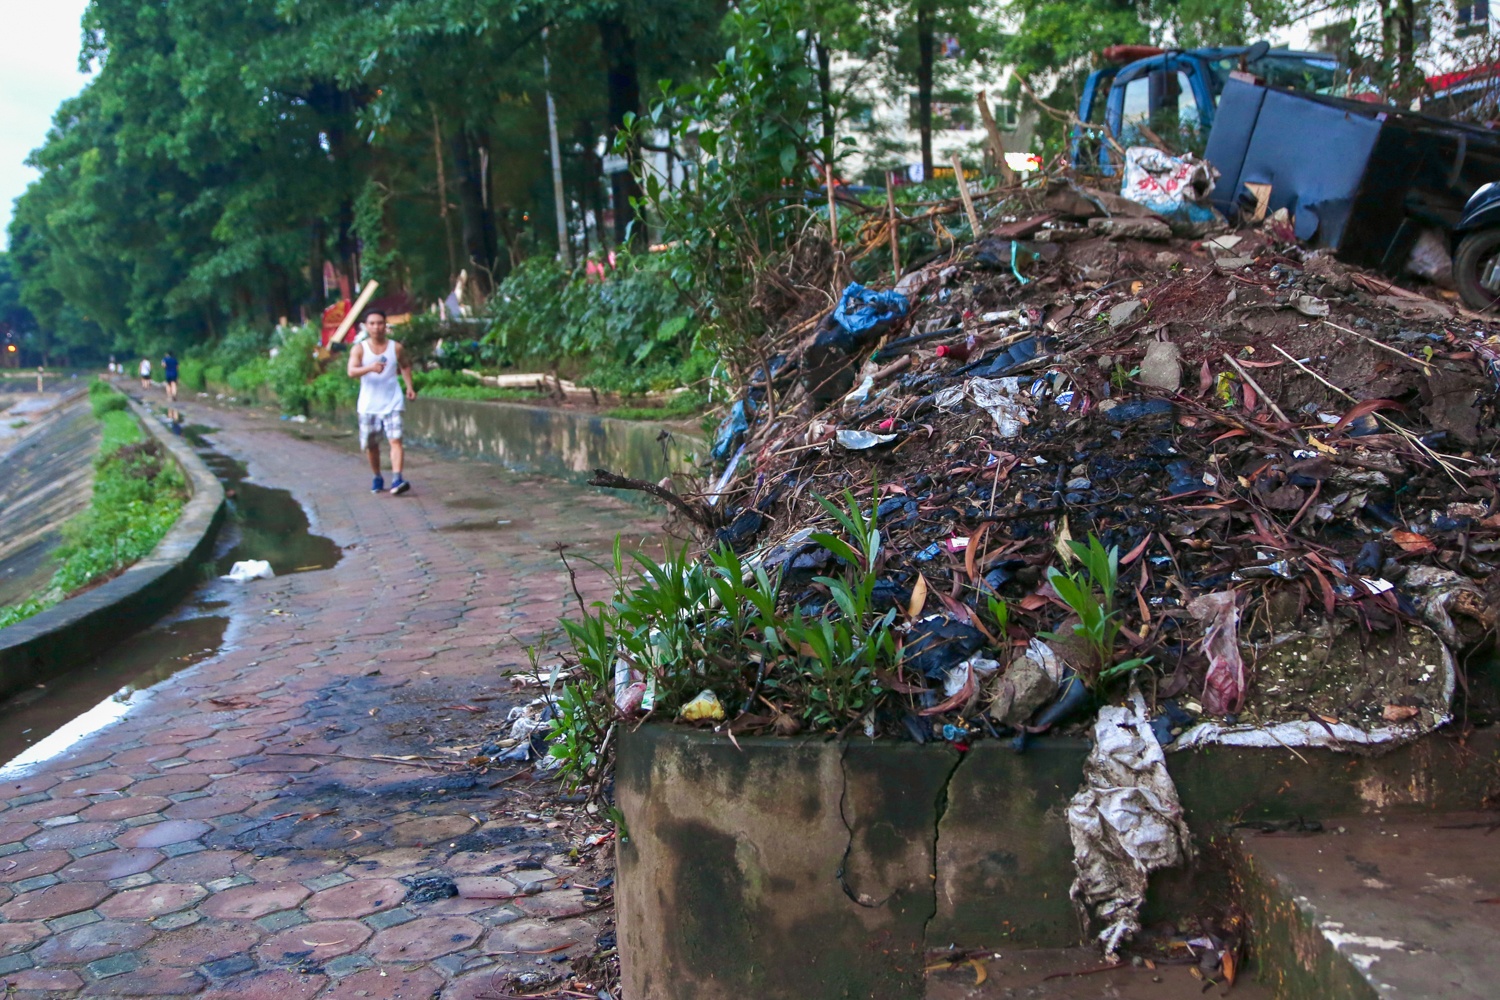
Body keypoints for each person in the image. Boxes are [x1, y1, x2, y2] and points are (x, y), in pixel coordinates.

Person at [346, 309, 416, 494]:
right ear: (366, 327)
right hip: (369, 405)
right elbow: (351, 371)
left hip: (392, 401)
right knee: (372, 445)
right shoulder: (360, 348)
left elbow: (405, 365)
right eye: (372, 323)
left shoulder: (396, 348)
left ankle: (397, 479)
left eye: (380, 323)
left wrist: (409, 387)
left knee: (396, 440)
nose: (376, 327)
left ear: (386, 325)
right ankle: (377, 476)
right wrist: (369, 368)